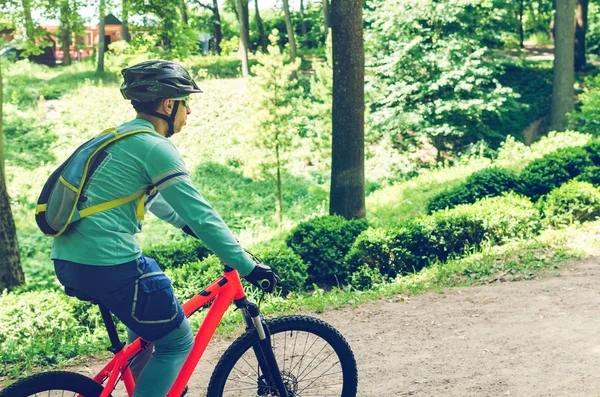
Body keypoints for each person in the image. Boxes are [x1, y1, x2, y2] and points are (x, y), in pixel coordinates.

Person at [51, 60, 279, 397]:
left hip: (70, 260)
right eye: (187, 102)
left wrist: (189, 228)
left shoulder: (121, 138)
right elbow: (202, 214)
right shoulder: (156, 147)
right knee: (177, 342)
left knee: (150, 317)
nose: (189, 111)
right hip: (109, 264)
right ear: (169, 104)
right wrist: (248, 265)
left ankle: (145, 387)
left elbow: (160, 203)